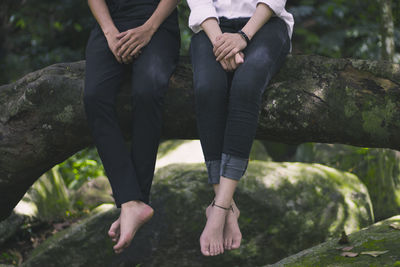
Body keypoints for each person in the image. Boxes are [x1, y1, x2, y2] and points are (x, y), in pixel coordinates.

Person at [187, 0, 294, 256]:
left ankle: (219, 209)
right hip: (211, 28)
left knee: (245, 87)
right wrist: (222, 44)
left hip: (265, 25)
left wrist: (243, 36)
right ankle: (227, 206)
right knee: (208, 90)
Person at [83, 0, 180, 254]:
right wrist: (110, 33)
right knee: (94, 97)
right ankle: (131, 202)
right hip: (111, 22)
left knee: (147, 91)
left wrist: (148, 29)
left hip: (156, 22)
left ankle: (134, 202)